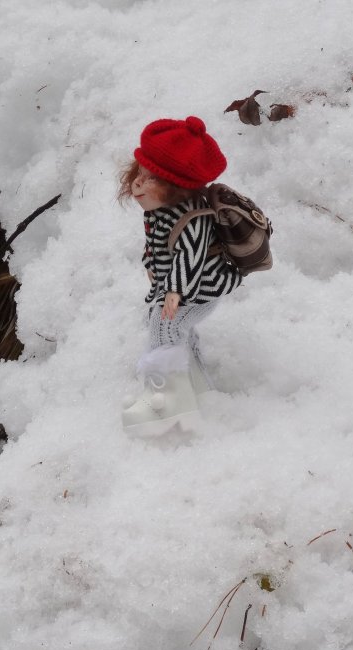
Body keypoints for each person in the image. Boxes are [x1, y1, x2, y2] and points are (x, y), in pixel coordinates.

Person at [119, 116, 242, 438]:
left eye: (150, 180)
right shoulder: (164, 211)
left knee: (165, 326)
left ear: (176, 187)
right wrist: (152, 265)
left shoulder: (192, 216)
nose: (137, 185)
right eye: (139, 176)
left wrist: (174, 290)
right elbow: (159, 246)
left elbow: (190, 255)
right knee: (177, 330)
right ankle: (200, 392)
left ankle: (168, 405)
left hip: (200, 288)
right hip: (186, 286)